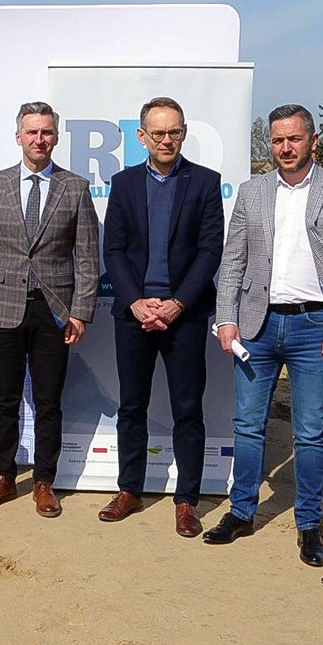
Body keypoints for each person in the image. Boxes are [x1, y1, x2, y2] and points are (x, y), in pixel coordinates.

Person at [206, 105, 323, 566]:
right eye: (277, 140)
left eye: (294, 139)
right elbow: (233, 260)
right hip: (256, 326)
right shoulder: (252, 192)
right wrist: (226, 318)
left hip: (315, 326)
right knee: (247, 425)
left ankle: (309, 523)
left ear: (313, 140)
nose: (286, 148)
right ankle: (241, 512)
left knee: (310, 432)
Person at [98, 97, 224, 537]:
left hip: (184, 315)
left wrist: (177, 303)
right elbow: (113, 249)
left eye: (174, 132)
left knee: (187, 408)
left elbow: (210, 250)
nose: (166, 140)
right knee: (131, 406)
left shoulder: (205, 182)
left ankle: (187, 500)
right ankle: (129, 490)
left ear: (184, 133)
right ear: (142, 136)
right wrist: (136, 301)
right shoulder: (123, 183)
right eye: (158, 133)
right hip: (133, 315)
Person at [0, 101, 100, 517]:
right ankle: (3, 477)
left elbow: (87, 257)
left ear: (55, 137)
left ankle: (44, 480)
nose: (39, 139)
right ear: (18, 137)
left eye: (46, 132)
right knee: (5, 399)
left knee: (48, 401)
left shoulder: (75, 188)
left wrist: (80, 311)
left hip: (54, 311)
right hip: (3, 307)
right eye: (32, 132)